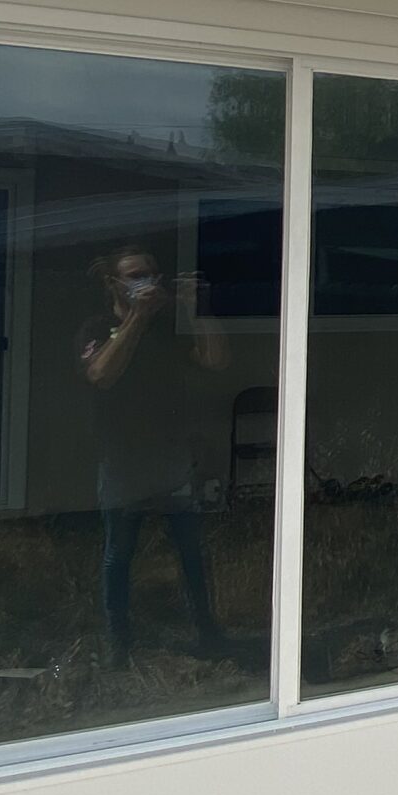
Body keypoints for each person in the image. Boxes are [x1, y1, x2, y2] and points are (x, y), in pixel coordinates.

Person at [79, 246, 229, 663]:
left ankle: (207, 631)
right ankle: (119, 641)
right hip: (122, 460)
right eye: (133, 275)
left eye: (151, 274)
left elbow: (216, 362)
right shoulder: (96, 327)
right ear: (113, 283)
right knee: (119, 552)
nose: (145, 282)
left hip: (171, 457)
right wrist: (136, 320)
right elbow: (102, 375)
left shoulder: (168, 328)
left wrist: (197, 310)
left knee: (191, 550)